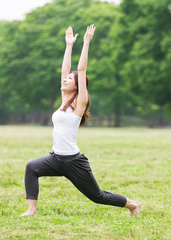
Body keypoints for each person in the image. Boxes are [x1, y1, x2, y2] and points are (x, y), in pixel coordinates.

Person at [21, 25, 141, 217]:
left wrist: (86, 43)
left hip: (73, 161)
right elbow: (64, 69)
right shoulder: (64, 101)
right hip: (56, 158)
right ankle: (32, 210)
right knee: (31, 167)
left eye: (70, 79)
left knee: (97, 196)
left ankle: (133, 205)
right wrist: (68, 46)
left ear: (78, 85)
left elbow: (81, 68)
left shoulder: (79, 104)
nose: (65, 79)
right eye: (65, 78)